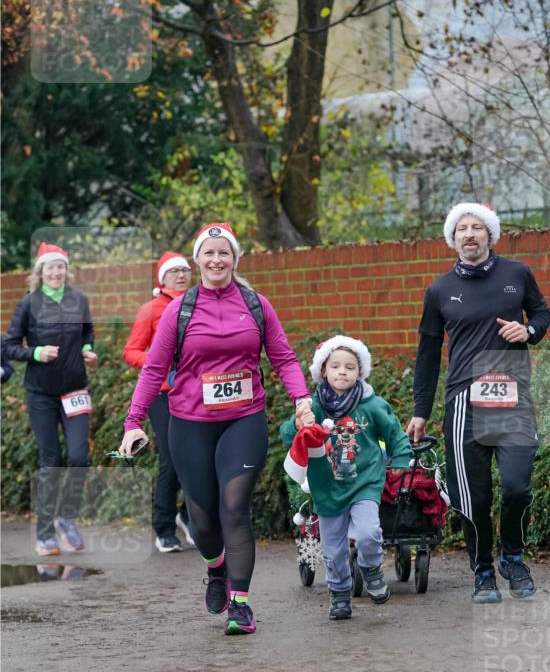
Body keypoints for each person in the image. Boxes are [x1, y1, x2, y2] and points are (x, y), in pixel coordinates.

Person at [118, 222, 311, 635]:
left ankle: (240, 604)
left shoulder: (256, 304)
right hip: (190, 423)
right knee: (203, 518)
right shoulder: (179, 309)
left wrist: (303, 400)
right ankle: (217, 569)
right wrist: (133, 421)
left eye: (224, 253)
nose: (217, 260)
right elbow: (154, 368)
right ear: (198, 260)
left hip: (244, 419)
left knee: (235, 508)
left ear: (235, 259)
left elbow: (284, 358)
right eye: (209, 253)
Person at [407, 202, 550, 604]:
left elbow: (541, 312)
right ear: (453, 240)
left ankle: (513, 556)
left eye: (477, 228)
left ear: (490, 234)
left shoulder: (516, 274)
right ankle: (483, 569)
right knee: (474, 495)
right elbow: (427, 353)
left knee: (518, 488)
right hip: (463, 403)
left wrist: (530, 330)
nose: (469, 235)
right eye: (461, 229)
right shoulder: (438, 290)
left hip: (513, 397)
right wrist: (421, 410)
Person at [281, 335, 412, 621]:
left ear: (360, 372)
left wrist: (401, 458)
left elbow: (395, 433)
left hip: (364, 482)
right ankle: (340, 594)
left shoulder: (372, 405)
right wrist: (296, 422)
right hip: (327, 488)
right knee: (333, 549)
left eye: (350, 367)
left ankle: (371, 570)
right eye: (336, 366)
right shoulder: (313, 408)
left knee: (368, 533)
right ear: (323, 371)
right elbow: (288, 436)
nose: (343, 371)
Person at [4, 242, 96, 556]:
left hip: (75, 390)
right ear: (40, 272)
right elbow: (10, 346)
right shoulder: (28, 304)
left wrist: (87, 351)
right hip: (41, 393)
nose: (56, 272)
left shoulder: (78, 299)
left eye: (60, 267)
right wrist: (36, 352)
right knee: (50, 461)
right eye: (50, 267)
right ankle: (44, 534)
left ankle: (66, 517)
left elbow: (87, 333)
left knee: (80, 457)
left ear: (66, 271)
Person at [123, 250, 195, 553]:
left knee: (198, 459)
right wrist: (156, 360)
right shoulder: (151, 309)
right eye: (174, 271)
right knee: (170, 459)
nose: (181, 275)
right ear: (162, 278)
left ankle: (188, 516)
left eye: (185, 270)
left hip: (194, 393)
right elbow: (131, 351)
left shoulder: (198, 305)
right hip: (162, 395)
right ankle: (164, 528)